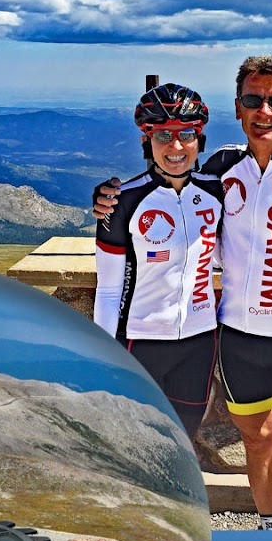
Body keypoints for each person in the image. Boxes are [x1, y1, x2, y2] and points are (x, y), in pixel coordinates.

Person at [97, 54, 272, 528]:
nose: (264, 111)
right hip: (235, 338)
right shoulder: (221, 168)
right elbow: (167, 186)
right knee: (257, 445)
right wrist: (107, 200)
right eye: (253, 100)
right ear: (238, 108)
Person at [94, 83, 223, 438]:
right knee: (133, 445)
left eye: (187, 135)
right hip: (138, 343)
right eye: (163, 135)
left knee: (183, 445)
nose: (176, 146)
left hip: (199, 342)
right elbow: (107, 289)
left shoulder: (217, 191)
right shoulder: (123, 201)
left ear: (201, 141)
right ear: (146, 142)